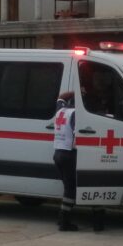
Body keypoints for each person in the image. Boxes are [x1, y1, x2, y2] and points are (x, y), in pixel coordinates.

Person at [53, 91, 79, 231]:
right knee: (70, 189)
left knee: (67, 188)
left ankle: (61, 218)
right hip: (68, 154)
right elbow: (77, 137)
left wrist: (74, 91)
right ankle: (64, 222)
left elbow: (60, 97)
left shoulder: (60, 110)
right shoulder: (75, 114)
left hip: (57, 153)